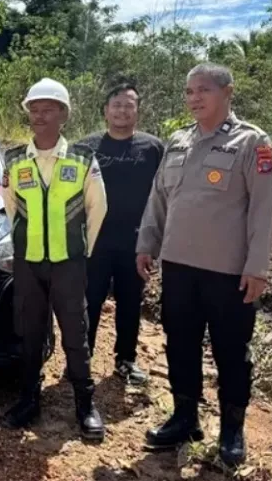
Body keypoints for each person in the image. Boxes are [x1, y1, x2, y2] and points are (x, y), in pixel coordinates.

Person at [137, 63, 272, 467]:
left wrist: (257, 267)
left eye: (203, 90)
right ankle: (185, 417)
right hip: (179, 267)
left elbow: (263, 210)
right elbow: (158, 200)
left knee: (231, 351)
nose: (194, 98)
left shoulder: (253, 142)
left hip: (228, 272)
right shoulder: (178, 141)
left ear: (227, 92)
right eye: (188, 91)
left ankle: (232, 429)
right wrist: (146, 242)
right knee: (179, 343)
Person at [1, 77, 108, 441]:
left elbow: (97, 209)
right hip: (28, 263)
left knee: (75, 335)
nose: (39, 116)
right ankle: (29, 400)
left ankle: (85, 404)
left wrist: (80, 251)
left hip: (69, 264)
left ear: (63, 114)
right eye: (34, 109)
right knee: (29, 333)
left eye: (48, 109)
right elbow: (9, 207)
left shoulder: (82, 159)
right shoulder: (15, 159)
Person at [76, 82, 164, 385]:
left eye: (129, 105)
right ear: (105, 110)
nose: (122, 110)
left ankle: (125, 359)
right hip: (94, 241)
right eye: (117, 104)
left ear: (137, 110)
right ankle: (80, 358)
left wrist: (155, 241)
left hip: (136, 243)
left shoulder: (152, 148)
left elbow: (163, 194)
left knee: (130, 302)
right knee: (89, 300)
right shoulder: (86, 147)